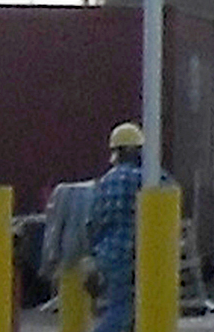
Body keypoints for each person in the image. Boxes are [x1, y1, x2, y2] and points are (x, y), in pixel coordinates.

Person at [85, 124, 156, 332]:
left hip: (106, 254)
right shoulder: (145, 178)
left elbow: (92, 221)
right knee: (122, 311)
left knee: (120, 307)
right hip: (130, 253)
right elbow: (169, 194)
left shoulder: (105, 181)